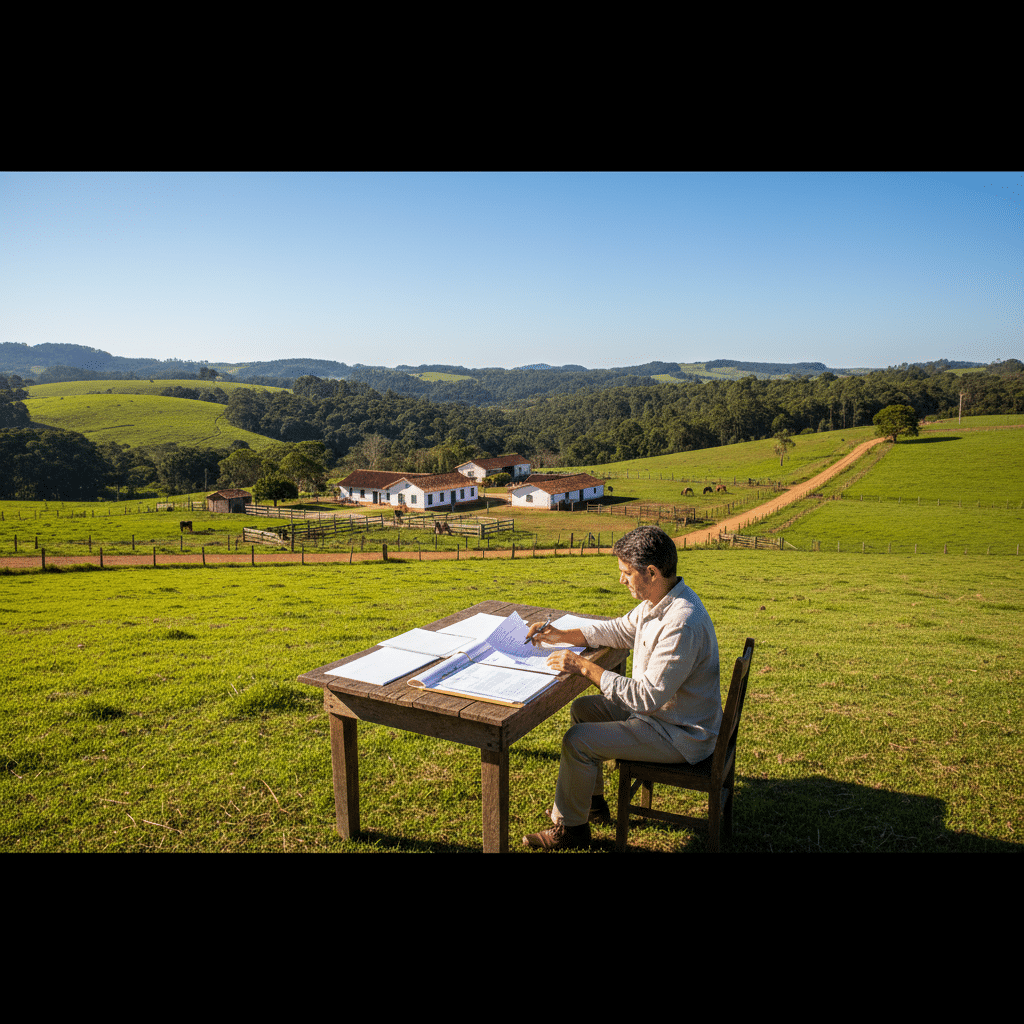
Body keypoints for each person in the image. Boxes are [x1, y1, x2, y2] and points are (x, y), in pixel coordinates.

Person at [522, 525, 721, 851]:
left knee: (578, 741)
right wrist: (558, 634)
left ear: (652, 572)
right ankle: (592, 805)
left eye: (627, 573)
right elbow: (615, 630)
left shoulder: (682, 622)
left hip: (680, 733)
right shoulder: (658, 604)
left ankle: (571, 831)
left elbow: (645, 697)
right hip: (664, 716)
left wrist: (584, 666)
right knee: (583, 710)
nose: (622, 580)